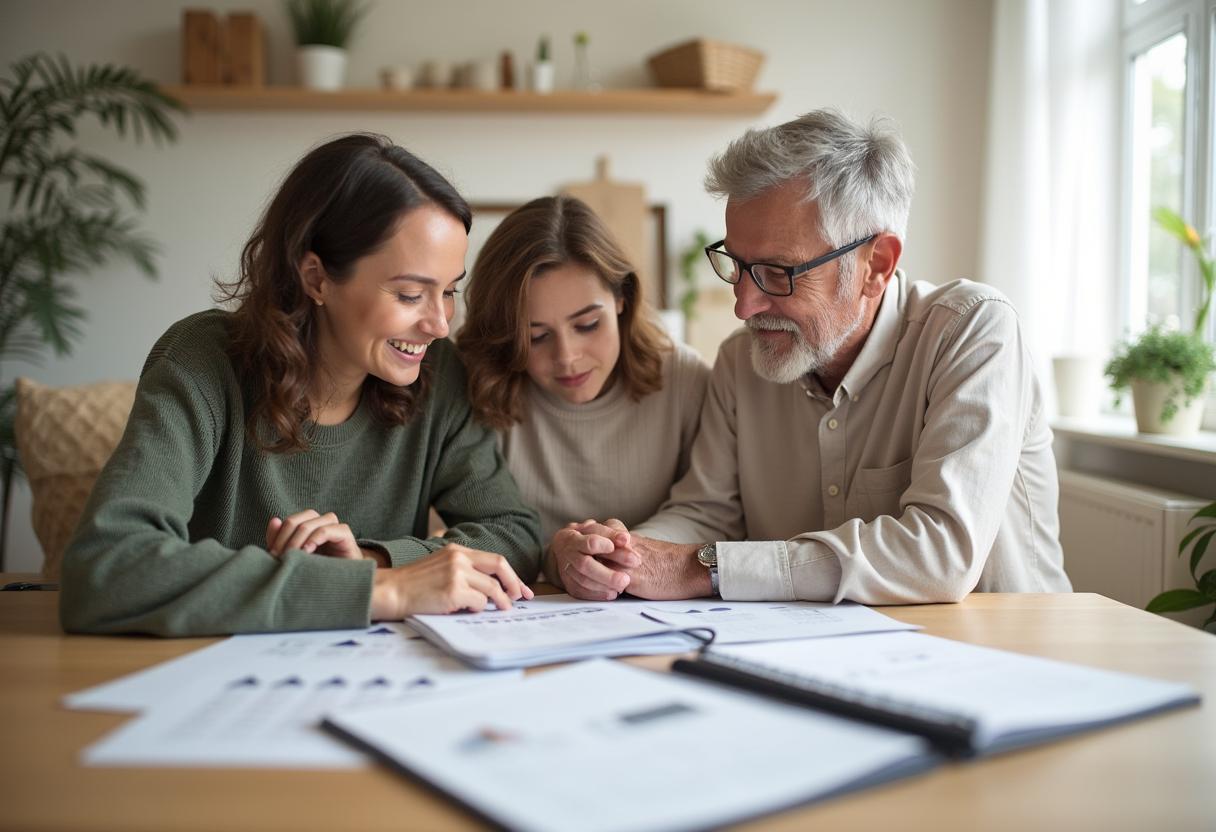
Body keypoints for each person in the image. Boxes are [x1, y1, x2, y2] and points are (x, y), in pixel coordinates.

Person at [552, 109, 1071, 603]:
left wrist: (702, 567)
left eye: (779, 272)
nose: (743, 305)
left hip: (1002, 657)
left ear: (877, 265)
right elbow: (706, 516)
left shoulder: (974, 331)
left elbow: (939, 553)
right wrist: (618, 556)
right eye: (736, 264)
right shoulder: (741, 362)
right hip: (819, 657)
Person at [60, 134, 541, 636]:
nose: (439, 324)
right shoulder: (202, 363)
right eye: (409, 294)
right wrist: (382, 591)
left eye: (449, 292)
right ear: (316, 278)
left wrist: (376, 559)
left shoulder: (438, 374)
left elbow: (515, 535)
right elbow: (105, 568)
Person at [457, 195, 710, 599]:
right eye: (536, 336)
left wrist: (622, 553)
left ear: (622, 300)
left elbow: (707, 510)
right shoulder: (480, 384)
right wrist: (556, 560)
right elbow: (471, 528)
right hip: (528, 609)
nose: (567, 358)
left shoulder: (685, 378)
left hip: (659, 603)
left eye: (588, 325)